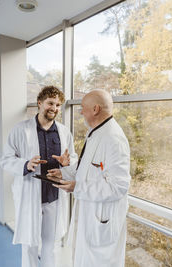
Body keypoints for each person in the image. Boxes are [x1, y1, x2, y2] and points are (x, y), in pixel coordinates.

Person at [0, 86, 77, 267]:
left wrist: (67, 163)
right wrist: (26, 164)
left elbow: (73, 157)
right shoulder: (20, 129)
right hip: (30, 196)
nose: (54, 108)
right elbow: (5, 159)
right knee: (29, 245)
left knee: (52, 245)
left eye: (58, 105)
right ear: (40, 103)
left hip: (54, 197)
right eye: (51, 103)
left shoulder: (64, 132)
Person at [53, 89, 131, 267]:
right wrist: (63, 173)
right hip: (89, 216)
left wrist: (76, 188)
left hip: (101, 221)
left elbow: (118, 187)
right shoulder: (95, 133)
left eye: (82, 108)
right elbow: (87, 169)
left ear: (95, 109)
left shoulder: (114, 139)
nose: (81, 112)